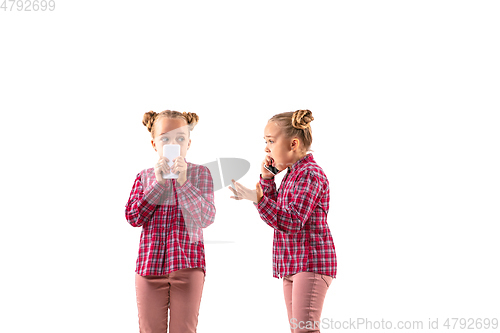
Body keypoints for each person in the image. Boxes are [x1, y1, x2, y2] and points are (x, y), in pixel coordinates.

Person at [228, 110, 337, 333]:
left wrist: (258, 199)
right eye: (265, 142)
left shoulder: (310, 174)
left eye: (271, 141)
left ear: (293, 144)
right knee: (298, 329)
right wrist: (267, 179)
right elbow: (279, 212)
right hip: (292, 263)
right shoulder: (292, 174)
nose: (266, 148)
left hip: (310, 263)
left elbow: (292, 221)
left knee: (305, 330)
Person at [125, 110, 215, 333]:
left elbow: (206, 217)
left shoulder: (200, 174)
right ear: (154, 144)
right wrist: (158, 185)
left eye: (180, 138)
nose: (173, 143)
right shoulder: (144, 177)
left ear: (189, 143)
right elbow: (133, 217)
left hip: (188, 265)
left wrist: (183, 183)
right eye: (165, 138)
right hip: (149, 267)